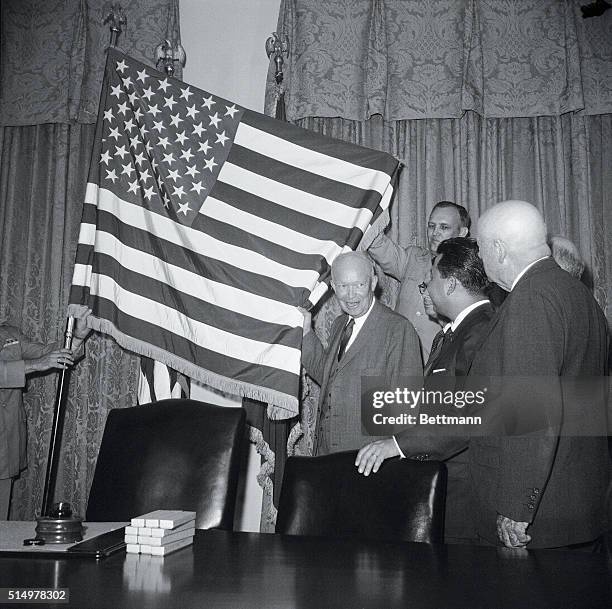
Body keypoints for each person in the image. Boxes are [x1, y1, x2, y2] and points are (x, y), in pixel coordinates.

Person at [469, 201, 609, 548]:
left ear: (498, 249)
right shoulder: (578, 295)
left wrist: (516, 507)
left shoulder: (531, 299)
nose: (482, 258)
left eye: (481, 247)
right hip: (578, 501)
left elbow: (530, 412)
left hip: (539, 520)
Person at [356, 238, 495, 544]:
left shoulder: (484, 331)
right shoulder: (452, 334)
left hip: (466, 498)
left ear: (451, 284)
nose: (427, 286)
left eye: (431, 278)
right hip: (442, 486)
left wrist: (397, 445)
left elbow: (470, 418)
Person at [300, 252, 422, 455]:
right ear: (333, 287)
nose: (351, 295)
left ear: (373, 283)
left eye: (359, 285)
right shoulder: (341, 323)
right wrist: (306, 331)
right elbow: (330, 378)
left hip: (367, 462)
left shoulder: (398, 329)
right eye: (343, 286)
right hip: (325, 455)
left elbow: (407, 410)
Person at [0, 306, 91, 519]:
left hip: (5, 448)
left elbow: (46, 353)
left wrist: (76, 338)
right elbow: (38, 361)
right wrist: (35, 365)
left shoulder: (9, 334)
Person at [368, 201, 470, 361]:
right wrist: (366, 210)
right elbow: (376, 243)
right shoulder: (413, 258)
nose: (435, 233)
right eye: (431, 226)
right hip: (394, 363)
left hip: (435, 372)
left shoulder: (470, 274)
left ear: (462, 232)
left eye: (444, 227)